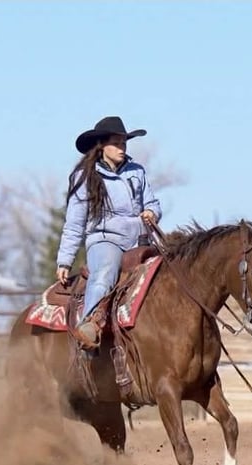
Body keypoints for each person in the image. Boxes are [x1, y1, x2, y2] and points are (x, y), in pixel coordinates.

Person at [55, 116, 162, 349]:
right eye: (117, 143)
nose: (122, 148)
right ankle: (90, 324)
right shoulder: (86, 177)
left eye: (124, 143)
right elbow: (74, 223)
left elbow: (152, 203)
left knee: (165, 272)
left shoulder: (137, 171)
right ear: (102, 145)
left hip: (140, 239)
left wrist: (151, 213)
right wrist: (65, 260)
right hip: (106, 239)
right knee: (105, 272)